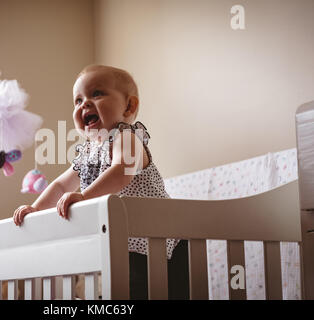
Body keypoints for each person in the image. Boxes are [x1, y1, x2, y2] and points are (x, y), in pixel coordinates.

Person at [13, 64, 188, 299]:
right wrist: (35, 208)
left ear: (129, 106)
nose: (84, 103)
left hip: (160, 240)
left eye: (97, 94)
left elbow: (122, 171)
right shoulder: (88, 152)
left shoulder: (127, 136)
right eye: (78, 100)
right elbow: (61, 186)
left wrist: (84, 197)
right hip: (124, 241)